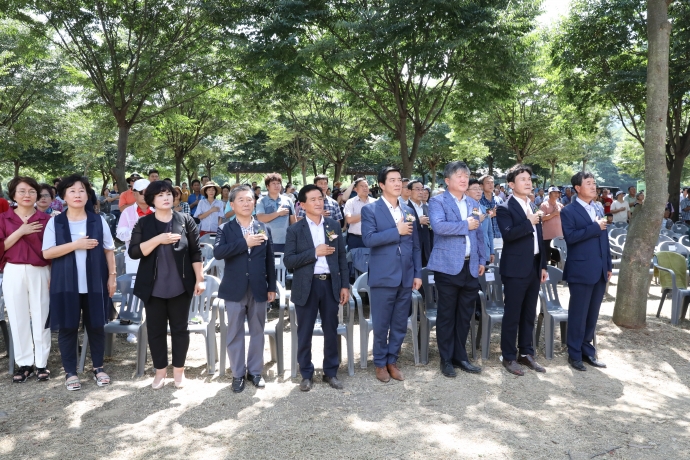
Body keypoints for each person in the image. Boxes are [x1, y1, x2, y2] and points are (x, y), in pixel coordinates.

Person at [42, 175, 117, 391]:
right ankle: (71, 372)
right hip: (65, 283)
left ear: (88, 195)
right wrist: (76, 244)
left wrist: (112, 277)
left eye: (82, 190)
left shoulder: (97, 219)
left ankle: (99, 368)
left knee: (95, 325)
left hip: (95, 282)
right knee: (67, 327)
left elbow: (108, 250)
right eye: (72, 190)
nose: (77, 194)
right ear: (64, 196)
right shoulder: (55, 222)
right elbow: (47, 253)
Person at [128, 180, 205, 389]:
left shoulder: (185, 220)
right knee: (155, 330)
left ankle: (179, 371)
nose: (166, 197)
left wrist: (200, 278)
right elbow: (134, 252)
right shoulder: (144, 223)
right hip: (153, 287)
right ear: (152, 199)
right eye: (161, 195)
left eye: (169, 194)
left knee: (180, 329)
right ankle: (160, 371)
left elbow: (195, 252)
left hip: (180, 285)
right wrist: (158, 239)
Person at [284, 184, 349, 391]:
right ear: (302, 204)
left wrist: (344, 286)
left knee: (331, 330)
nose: (318, 202)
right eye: (312, 199)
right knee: (305, 331)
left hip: (330, 284)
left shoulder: (333, 226)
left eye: (320, 198)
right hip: (306, 286)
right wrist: (315, 252)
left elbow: (341, 258)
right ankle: (306, 373)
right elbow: (289, 261)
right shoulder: (295, 229)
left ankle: (331, 372)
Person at [214, 185, 276, 393]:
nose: (247, 203)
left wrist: (272, 287)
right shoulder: (225, 228)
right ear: (232, 204)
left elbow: (269, 260)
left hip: (258, 287)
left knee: (258, 330)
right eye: (241, 200)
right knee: (234, 332)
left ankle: (256, 372)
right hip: (234, 288)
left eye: (250, 199)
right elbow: (219, 252)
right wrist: (244, 242)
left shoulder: (263, 227)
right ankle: (238, 374)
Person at [362, 166, 422, 383]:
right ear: (381, 185)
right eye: (393, 180)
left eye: (399, 180)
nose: (398, 184)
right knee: (381, 323)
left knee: (399, 323)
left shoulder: (408, 210)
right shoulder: (370, 210)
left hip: (406, 276)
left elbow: (416, 245)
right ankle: (379, 363)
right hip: (383, 276)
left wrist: (417, 273)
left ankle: (392, 360)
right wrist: (395, 231)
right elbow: (368, 240)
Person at [427, 162, 484, 378]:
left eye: (466, 175)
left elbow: (478, 231)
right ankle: (446, 358)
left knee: (465, 314)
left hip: (470, 265)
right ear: (447, 180)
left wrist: (480, 259)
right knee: (446, 315)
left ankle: (461, 357)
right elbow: (439, 226)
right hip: (448, 267)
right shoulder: (437, 201)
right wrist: (464, 225)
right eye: (459, 175)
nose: (464, 179)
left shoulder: (473, 202)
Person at [496, 165, 548, 376]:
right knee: (513, 314)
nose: (528, 183)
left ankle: (526, 353)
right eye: (522, 179)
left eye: (529, 179)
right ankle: (508, 356)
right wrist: (528, 222)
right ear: (511, 184)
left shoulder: (533, 204)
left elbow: (540, 239)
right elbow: (508, 235)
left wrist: (543, 265)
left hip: (534, 266)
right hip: (515, 268)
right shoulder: (504, 207)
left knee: (529, 313)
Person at [0, 177, 52, 382]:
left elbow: (51, 250)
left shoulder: (46, 219)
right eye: (22, 191)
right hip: (13, 270)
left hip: (40, 270)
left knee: (42, 316)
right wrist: (21, 232)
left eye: (31, 191)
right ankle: (24, 363)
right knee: (17, 316)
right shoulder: (4, 218)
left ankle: (41, 363)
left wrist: (52, 274)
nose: (27, 195)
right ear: (13, 194)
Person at [560, 171, 611, 371]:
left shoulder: (598, 207)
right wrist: (594, 227)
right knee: (578, 313)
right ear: (577, 188)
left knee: (592, 314)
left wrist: (608, 265)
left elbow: (604, 238)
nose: (593, 186)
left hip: (599, 269)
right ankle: (574, 354)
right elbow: (571, 238)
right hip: (580, 269)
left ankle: (587, 351)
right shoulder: (568, 211)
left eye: (594, 183)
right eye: (588, 183)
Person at [116, 179, 153, 275]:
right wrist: (137, 231)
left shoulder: (157, 210)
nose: (145, 195)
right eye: (141, 192)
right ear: (134, 194)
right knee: (135, 288)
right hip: (134, 260)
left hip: (156, 257)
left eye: (148, 192)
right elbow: (120, 234)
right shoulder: (127, 212)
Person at [256, 173, 296, 253]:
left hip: (286, 241)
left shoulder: (288, 200)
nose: (276, 186)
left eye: (278, 183)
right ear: (267, 186)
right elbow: (261, 218)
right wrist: (277, 213)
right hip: (268, 241)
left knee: (286, 265)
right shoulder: (261, 201)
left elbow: (293, 221)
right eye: (273, 183)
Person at [343, 178, 376, 250]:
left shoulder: (375, 202)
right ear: (356, 189)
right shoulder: (350, 202)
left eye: (366, 186)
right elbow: (349, 219)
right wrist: (367, 214)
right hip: (355, 239)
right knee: (354, 259)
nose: (365, 188)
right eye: (362, 186)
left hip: (372, 238)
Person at [406, 179, 433, 267]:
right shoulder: (405, 208)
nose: (421, 192)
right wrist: (418, 222)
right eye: (417, 189)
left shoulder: (427, 208)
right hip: (411, 250)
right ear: (409, 191)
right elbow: (405, 227)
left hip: (426, 250)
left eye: (422, 189)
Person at [467, 179, 493, 266]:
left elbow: (490, 232)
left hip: (485, 251)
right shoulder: (463, 209)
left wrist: (492, 251)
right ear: (466, 192)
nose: (478, 191)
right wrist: (477, 220)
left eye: (479, 189)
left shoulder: (486, 209)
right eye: (475, 189)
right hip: (470, 253)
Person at [540, 186, 564, 264]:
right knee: (546, 258)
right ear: (549, 194)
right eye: (554, 193)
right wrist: (553, 214)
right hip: (547, 236)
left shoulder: (560, 205)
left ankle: (555, 273)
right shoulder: (544, 205)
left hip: (558, 236)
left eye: (558, 193)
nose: (557, 194)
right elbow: (542, 218)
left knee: (556, 259)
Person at [479, 175, 502, 242]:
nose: (491, 185)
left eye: (492, 182)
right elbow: (475, 216)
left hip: (499, 235)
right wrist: (491, 213)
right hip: (484, 237)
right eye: (488, 183)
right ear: (481, 186)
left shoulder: (499, 200)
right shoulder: (477, 200)